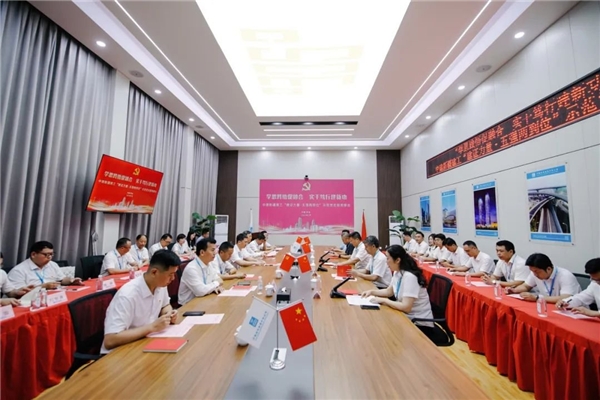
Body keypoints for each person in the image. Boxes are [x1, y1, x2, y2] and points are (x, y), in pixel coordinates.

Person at [101, 250, 180, 353]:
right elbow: (110, 340)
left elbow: (165, 305)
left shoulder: (160, 285)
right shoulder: (127, 295)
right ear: (154, 272)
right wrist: (152, 327)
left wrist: (169, 314)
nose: (173, 278)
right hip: (121, 352)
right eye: (170, 274)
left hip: (144, 343)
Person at [361, 245, 436, 340]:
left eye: (388, 258)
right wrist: (372, 292)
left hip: (419, 323)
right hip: (406, 316)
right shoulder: (398, 272)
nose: (386, 261)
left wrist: (384, 301)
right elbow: (389, 292)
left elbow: (406, 307)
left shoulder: (410, 277)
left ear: (397, 260)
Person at [507, 253, 581, 303]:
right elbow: (526, 286)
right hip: (547, 305)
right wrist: (515, 290)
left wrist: (537, 298)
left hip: (571, 309)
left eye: (537, 272)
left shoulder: (565, 276)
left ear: (548, 269)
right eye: (532, 271)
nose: (535, 274)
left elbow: (565, 297)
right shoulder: (535, 273)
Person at [8, 241, 82, 289]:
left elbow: (62, 279)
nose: (49, 257)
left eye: (51, 254)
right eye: (46, 255)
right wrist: (42, 287)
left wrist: (71, 280)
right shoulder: (18, 271)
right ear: (33, 254)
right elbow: (18, 293)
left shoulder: (53, 265)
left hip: (53, 297)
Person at [179, 238, 223, 305]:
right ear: (202, 252)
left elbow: (219, 279)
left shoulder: (209, 264)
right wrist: (216, 284)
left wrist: (214, 287)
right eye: (212, 250)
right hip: (188, 305)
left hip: (203, 299)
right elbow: (201, 291)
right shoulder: (191, 268)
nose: (215, 253)